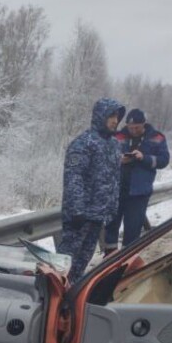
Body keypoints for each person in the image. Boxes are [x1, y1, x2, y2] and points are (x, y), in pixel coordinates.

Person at [56, 97, 124, 282]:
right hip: (81, 216)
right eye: (111, 116)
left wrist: (111, 208)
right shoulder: (83, 143)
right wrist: (77, 210)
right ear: (100, 116)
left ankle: (71, 299)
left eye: (117, 117)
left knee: (82, 263)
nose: (115, 121)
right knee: (64, 265)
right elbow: (74, 178)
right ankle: (51, 300)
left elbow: (113, 179)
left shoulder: (114, 145)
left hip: (98, 215)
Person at [103, 108, 170, 253]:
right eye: (130, 127)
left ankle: (128, 262)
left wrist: (143, 158)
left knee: (132, 230)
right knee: (111, 228)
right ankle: (108, 260)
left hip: (139, 193)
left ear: (144, 124)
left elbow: (164, 161)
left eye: (137, 127)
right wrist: (119, 160)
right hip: (116, 191)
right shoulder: (117, 136)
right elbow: (104, 158)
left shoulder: (157, 137)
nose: (133, 130)